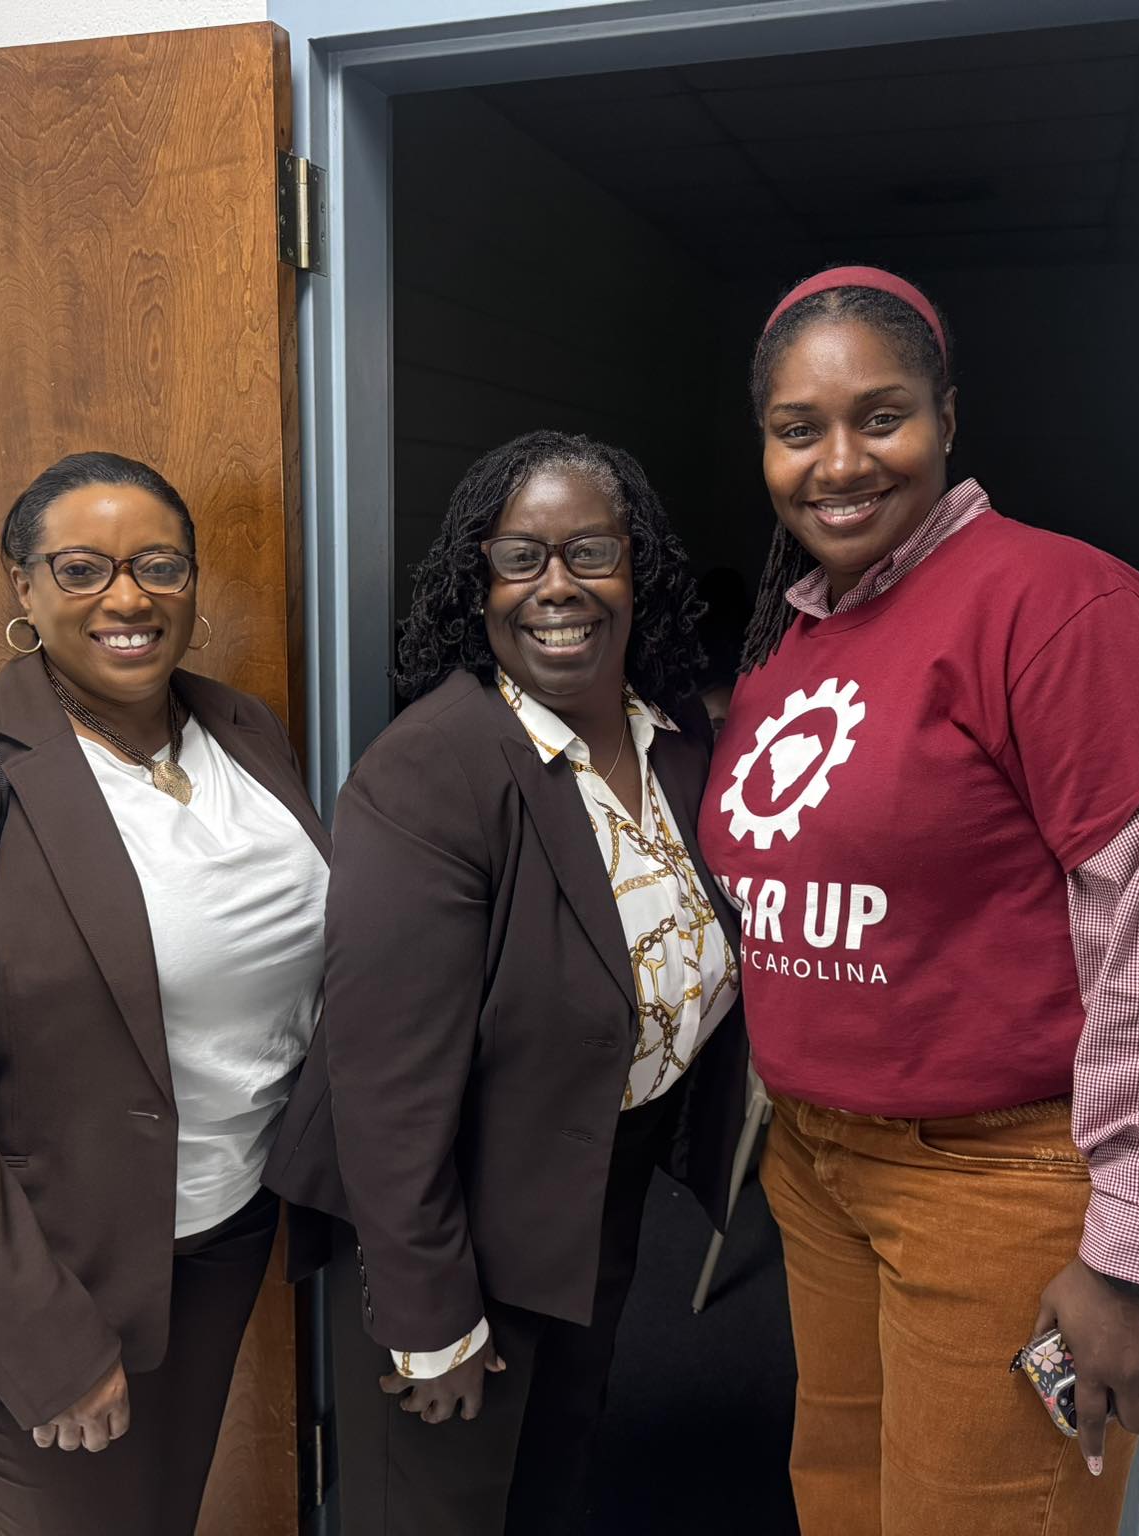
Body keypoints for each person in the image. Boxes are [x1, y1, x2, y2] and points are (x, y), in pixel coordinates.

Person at [700, 266, 1139, 1536]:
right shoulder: (793, 637)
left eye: (879, 415)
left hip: (994, 1185)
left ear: (947, 417)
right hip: (818, 1163)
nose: (837, 461)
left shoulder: (1062, 608)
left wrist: (1132, 1251)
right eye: (797, 430)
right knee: (840, 1498)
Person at [0, 452, 330, 1536]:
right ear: (24, 587)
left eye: (159, 566)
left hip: (224, 1229)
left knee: (163, 1512)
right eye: (83, 568)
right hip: (54, 1270)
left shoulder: (241, 729)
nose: (129, 598)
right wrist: (43, 1345)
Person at [266, 430, 747, 1536]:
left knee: (550, 1484)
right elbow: (384, 1083)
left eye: (589, 551)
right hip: (449, 1219)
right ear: (473, 584)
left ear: (640, 569)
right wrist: (428, 1316)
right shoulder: (435, 769)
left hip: (592, 1196)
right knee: (437, 1509)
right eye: (519, 558)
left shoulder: (675, 743)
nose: (557, 587)